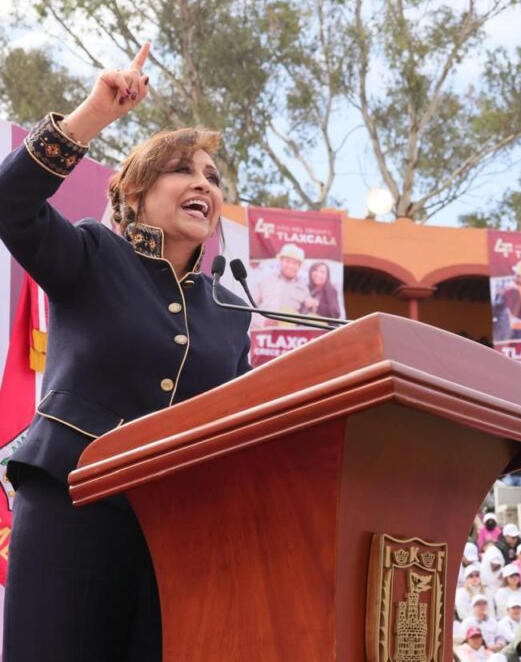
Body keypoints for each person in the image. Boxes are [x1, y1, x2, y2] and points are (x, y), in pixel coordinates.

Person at [0, 42, 256, 661]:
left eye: (213, 179)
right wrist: (94, 114)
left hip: (179, 533)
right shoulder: (94, 253)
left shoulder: (231, 309)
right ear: (135, 193)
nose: (204, 184)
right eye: (184, 171)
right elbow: (9, 203)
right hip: (71, 506)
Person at [251, 242, 319, 325]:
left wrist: (313, 306)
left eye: (295, 263)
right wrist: (263, 322)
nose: (291, 266)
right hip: (264, 333)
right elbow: (251, 306)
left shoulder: (304, 288)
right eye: (287, 261)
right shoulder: (266, 281)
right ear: (281, 262)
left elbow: (306, 318)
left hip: (290, 335)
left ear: (299, 266)